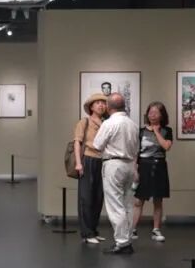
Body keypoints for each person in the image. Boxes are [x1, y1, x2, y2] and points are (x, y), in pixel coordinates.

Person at [91, 93, 140, 255]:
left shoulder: (109, 123)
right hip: (129, 164)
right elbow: (136, 148)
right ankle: (127, 239)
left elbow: (97, 145)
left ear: (109, 107)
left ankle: (122, 242)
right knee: (127, 204)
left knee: (115, 205)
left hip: (113, 165)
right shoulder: (133, 124)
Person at [131, 102, 173, 243]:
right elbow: (135, 153)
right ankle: (132, 229)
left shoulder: (167, 130)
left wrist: (156, 131)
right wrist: (134, 170)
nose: (152, 115)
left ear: (162, 115)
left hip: (159, 166)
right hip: (143, 166)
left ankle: (156, 230)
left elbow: (166, 146)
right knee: (138, 200)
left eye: (156, 112)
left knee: (158, 200)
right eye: (150, 112)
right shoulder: (141, 132)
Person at [73, 93, 108, 245]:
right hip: (87, 159)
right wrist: (78, 163)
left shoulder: (106, 123)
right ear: (91, 106)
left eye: (103, 103)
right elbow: (77, 142)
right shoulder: (84, 121)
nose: (101, 105)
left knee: (98, 197)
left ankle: (93, 230)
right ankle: (86, 233)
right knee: (86, 198)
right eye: (97, 102)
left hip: (103, 161)